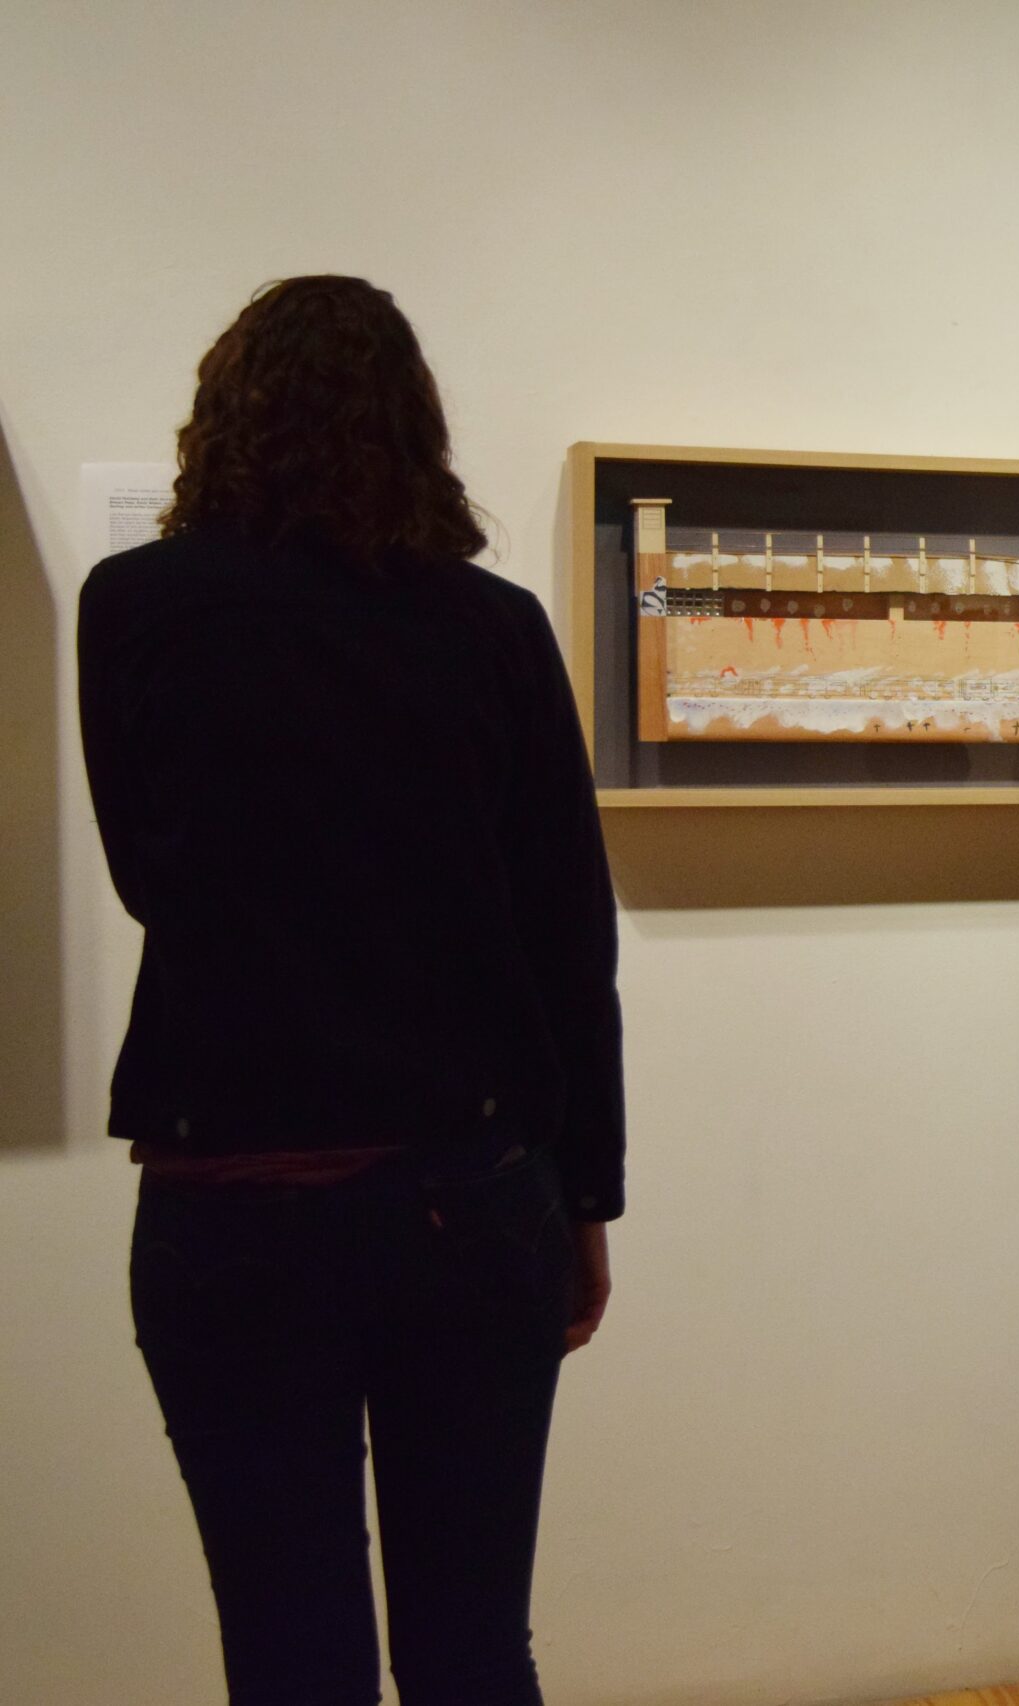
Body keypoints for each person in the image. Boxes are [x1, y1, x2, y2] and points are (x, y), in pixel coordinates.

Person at [78, 276, 624, 1706]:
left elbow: (148, 874)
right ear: (413, 426)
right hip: (470, 1189)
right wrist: (589, 1196)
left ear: (222, 419)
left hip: (230, 1195)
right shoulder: (492, 627)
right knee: (471, 1645)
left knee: (288, 1651)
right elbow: (571, 938)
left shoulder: (134, 607)